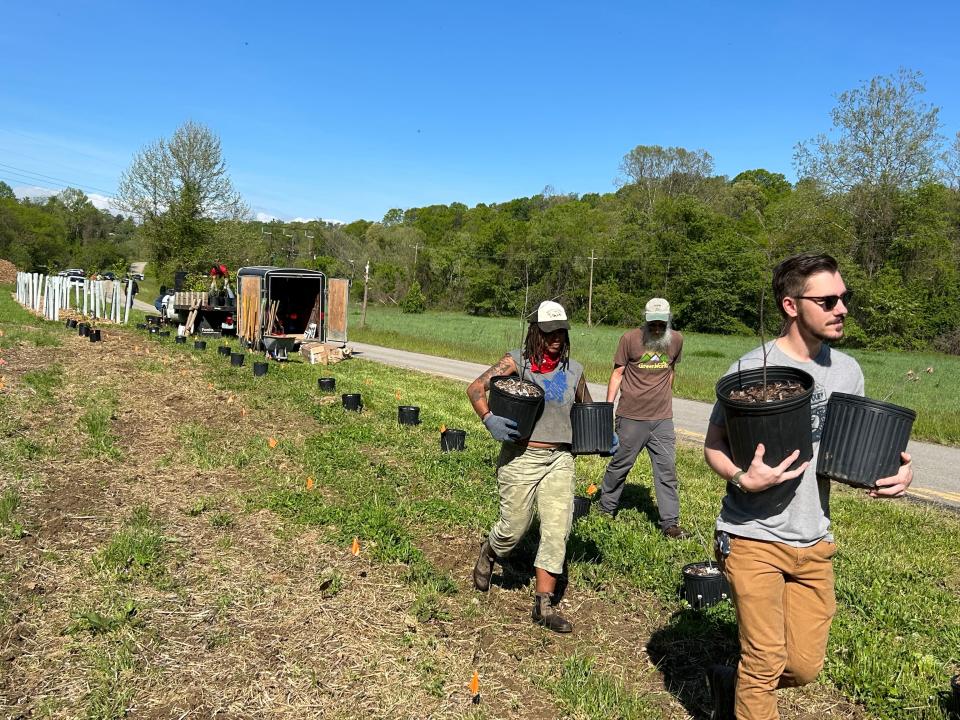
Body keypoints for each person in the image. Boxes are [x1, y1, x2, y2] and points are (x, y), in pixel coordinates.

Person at [702, 252, 913, 720]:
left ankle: (729, 685)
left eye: (844, 297)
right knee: (765, 661)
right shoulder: (750, 368)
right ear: (791, 306)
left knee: (802, 666)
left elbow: (855, 449)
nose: (842, 308)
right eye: (829, 299)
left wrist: (895, 470)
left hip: (814, 539)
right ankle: (747, 691)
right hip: (751, 534)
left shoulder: (848, 371)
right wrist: (740, 476)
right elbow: (713, 444)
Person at [466, 300, 596, 633]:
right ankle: (491, 550)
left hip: (559, 460)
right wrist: (489, 418)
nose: (555, 339)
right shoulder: (517, 362)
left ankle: (544, 604)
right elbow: (475, 388)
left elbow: (588, 410)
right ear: (535, 332)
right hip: (521, 457)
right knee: (514, 530)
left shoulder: (574, 371)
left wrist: (600, 436)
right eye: (549, 332)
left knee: (557, 530)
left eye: (561, 333)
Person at [596, 297, 689, 539]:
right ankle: (605, 510)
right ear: (645, 321)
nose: (657, 328)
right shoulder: (629, 339)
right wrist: (608, 408)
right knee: (620, 465)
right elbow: (618, 373)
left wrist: (664, 398)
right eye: (653, 324)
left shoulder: (676, 340)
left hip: (662, 420)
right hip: (630, 417)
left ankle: (670, 524)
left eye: (661, 324)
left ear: (668, 321)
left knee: (667, 470)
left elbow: (671, 371)